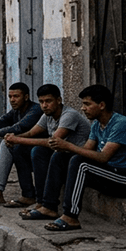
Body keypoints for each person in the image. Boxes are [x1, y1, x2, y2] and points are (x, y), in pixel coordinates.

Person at [28, 85, 126, 231]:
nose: (83, 108)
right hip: (110, 172)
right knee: (60, 157)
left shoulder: (120, 124)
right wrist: (64, 148)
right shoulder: (97, 124)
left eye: (87, 104)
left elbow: (103, 157)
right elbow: (86, 150)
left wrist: (68, 145)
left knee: (81, 164)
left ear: (101, 105)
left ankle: (70, 216)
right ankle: (48, 206)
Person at [8, 84, 92, 217]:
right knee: (25, 150)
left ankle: (48, 205)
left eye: (48, 101)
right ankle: (35, 199)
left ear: (59, 100)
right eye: (41, 102)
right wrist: (13, 138)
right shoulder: (48, 115)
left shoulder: (69, 115)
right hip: (62, 154)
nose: (44, 105)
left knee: (42, 152)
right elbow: (31, 133)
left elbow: (52, 141)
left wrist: (18, 140)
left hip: (76, 156)